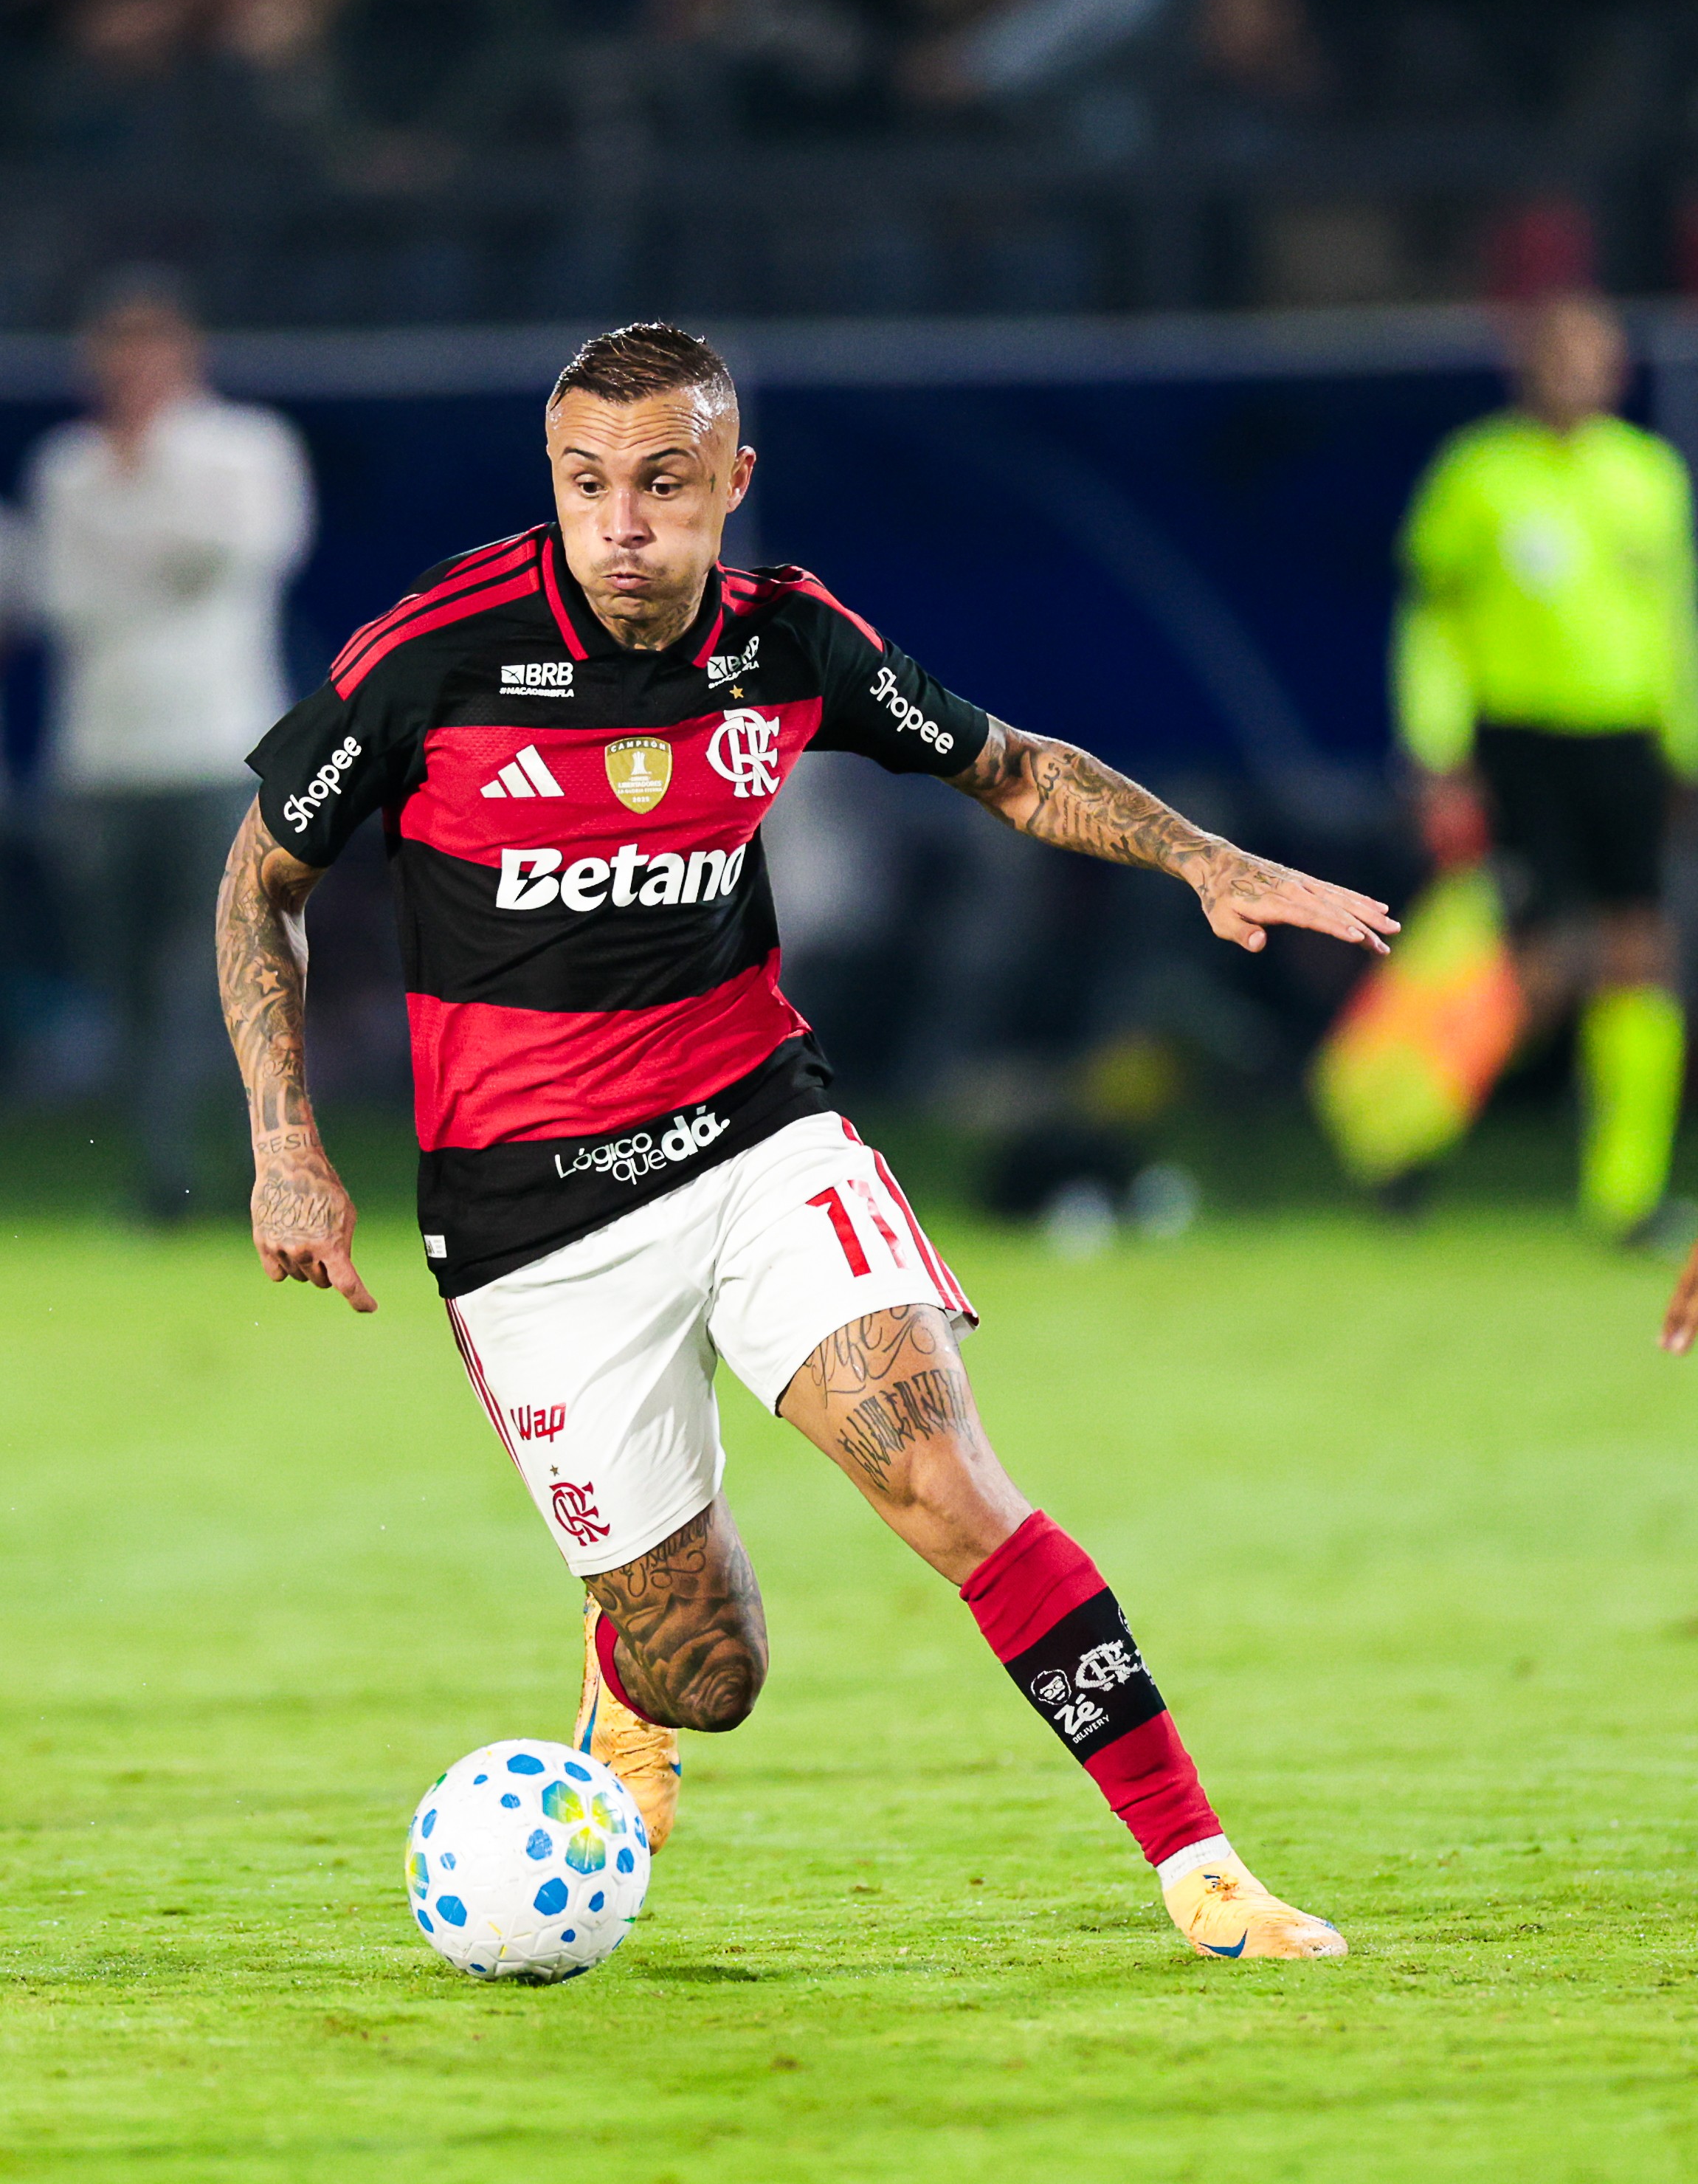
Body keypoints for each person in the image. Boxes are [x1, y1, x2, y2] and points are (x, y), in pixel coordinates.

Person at [216, 323, 1396, 1960]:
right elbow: (260, 884)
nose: (621, 524)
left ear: (732, 483)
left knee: (943, 1477)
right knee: (710, 1668)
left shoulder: (788, 644)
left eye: (663, 484)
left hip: (753, 1134)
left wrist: (1202, 858)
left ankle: (1203, 1869)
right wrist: (286, 1140)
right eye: (585, 484)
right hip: (526, 1218)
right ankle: (622, 1667)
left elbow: (1011, 769)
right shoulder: (436, 653)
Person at [1394, 293, 1698, 1239]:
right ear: (1526, 369)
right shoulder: (1477, 475)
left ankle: (1626, 1196)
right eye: (1559, 357)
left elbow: (1674, 622)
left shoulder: (1649, 475)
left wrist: (1686, 747)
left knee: (1641, 954)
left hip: (1626, 741)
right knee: (1539, 966)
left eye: (1593, 358)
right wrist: (1437, 750)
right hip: (1522, 743)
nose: (1577, 374)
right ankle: (1406, 1131)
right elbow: (1433, 621)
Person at [30, 271, 314, 1216]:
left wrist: (137, 527)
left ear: (186, 355)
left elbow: (232, 554)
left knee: (223, 975)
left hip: (220, 749)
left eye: (148, 350)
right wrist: (150, 556)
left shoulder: (245, 447)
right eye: (114, 352)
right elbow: (62, 596)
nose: (131, 370)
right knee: (125, 985)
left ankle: (257, 1168)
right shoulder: (68, 466)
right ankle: (165, 1175)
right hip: (100, 758)